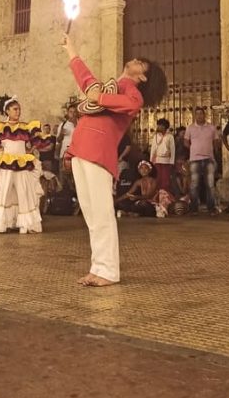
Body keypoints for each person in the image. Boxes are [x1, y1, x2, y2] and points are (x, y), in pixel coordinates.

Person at [63, 33, 167, 287]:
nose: (133, 60)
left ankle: (109, 270)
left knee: (101, 212)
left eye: (139, 63)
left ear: (142, 76)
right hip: (81, 150)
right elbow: (88, 83)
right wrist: (71, 51)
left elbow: (111, 100)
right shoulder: (111, 87)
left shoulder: (133, 93)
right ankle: (97, 267)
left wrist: (98, 96)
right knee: (90, 213)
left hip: (98, 153)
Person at [0, 94, 47, 234]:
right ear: (7, 111)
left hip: (22, 163)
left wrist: (30, 149)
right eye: (15, 109)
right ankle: (2, 223)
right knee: (4, 192)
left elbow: (37, 141)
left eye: (19, 109)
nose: (18, 112)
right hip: (6, 163)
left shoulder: (25, 127)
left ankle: (26, 225)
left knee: (24, 192)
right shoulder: (0, 126)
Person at [184, 107, 221, 214]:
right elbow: (186, 142)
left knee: (210, 184)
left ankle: (211, 208)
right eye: (197, 114)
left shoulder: (211, 127)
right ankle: (194, 208)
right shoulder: (190, 128)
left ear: (205, 115)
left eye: (201, 114)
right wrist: (195, 148)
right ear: (195, 115)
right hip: (195, 159)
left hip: (209, 159)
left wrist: (212, 149)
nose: (199, 116)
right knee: (194, 184)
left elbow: (216, 141)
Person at [149, 118, 175, 192]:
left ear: (164, 126)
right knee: (158, 178)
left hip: (166, 161)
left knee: (165, 179)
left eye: (160, 125)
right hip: (157, 160)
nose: (158, 127)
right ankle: (157, 194)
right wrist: (151, 160)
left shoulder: (170, 136)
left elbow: (172, 150)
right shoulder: (156, 136)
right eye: (158, 125)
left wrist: (171, 162)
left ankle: (165, 193)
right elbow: (153, 148)